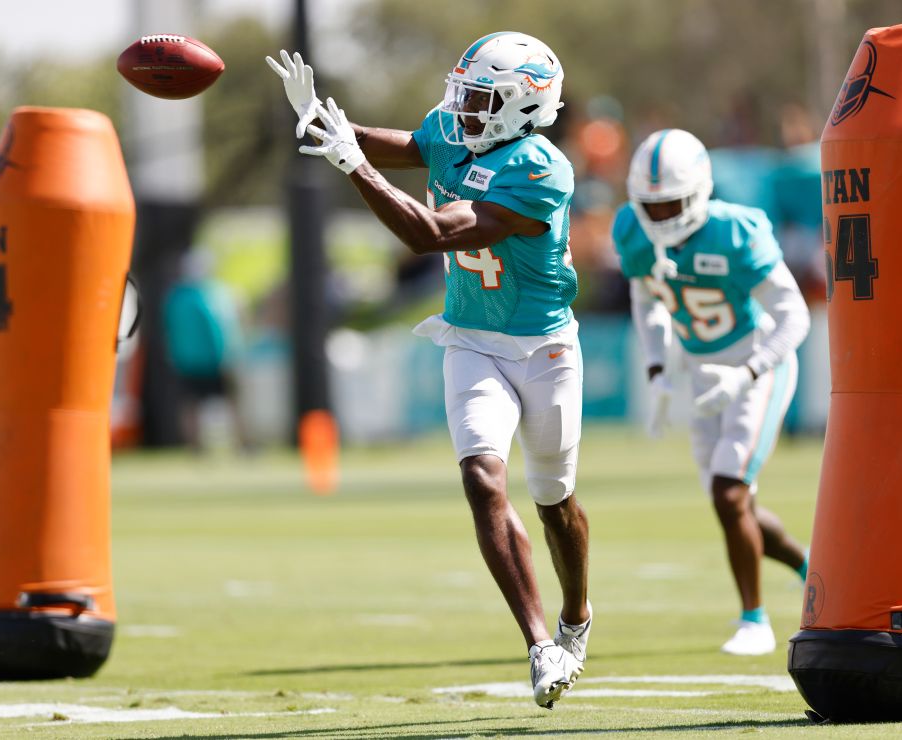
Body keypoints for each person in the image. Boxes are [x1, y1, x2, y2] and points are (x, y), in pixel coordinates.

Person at [267, 32, 591, 708]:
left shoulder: (539, 169)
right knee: (482, 477)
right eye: (465, 93)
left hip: (544, 349)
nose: (463, 109)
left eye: (481, 99)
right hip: (470, 337)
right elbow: (405, 146)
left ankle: (576, 616)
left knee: (554, 500)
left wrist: (354, 166)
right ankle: (539, 644)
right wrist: (319, 116)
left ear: (525, 107)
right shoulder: (456, 128)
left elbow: (428, 233)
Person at [611, 129, 810, 656]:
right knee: (734, 503)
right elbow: (645, 296)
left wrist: (746, 373)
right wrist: (657, 369)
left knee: (729, 491)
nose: (659, 218)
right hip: (700, 369)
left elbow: (794, 318)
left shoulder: (736, 231)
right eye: (649, 206)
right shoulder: (631, 230)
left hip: (756, 360)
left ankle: (755, 620)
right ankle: (812, 567)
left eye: (670, 204)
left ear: (699, 191)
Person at [162, 250, 248, 452]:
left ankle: (195, 447)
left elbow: (168, 330)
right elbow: (216, 330)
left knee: (191, 405)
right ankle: (241, 443)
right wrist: (227, 356)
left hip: (184, 360)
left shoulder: (175, 297)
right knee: (231, 402)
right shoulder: (208, 295)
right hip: (212, 359)